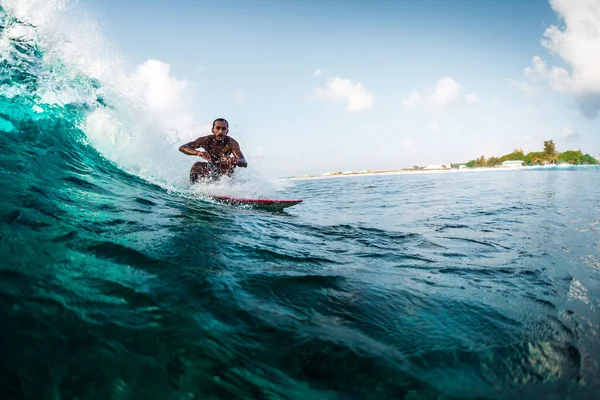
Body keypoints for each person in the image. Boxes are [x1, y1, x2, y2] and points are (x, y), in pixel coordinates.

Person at [179, 118, 247, 183]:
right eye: (218, 128)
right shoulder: (206, 140)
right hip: (210, 168)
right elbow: (183, 147)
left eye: (223, 129)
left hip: (224, 170)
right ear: (212, 130)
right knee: (197, 166)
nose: (220, 131)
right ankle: (194, 189)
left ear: (227, 131)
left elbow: (244, 162)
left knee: (226, 167)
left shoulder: (231, 143)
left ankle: (225, 189)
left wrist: (234, 160)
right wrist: (199, 153)